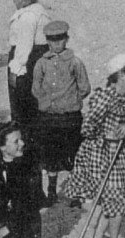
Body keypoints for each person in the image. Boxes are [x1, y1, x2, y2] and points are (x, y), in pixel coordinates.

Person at [64, 54, 125, 238]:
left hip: (119, 154)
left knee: (117, 200)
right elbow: (87, 127)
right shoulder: (104, 97)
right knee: (99, 204)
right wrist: (106, 134)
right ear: (121, 75)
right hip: (98, 154)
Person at [30, 20, 91, 206]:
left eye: (60, 39)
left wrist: (70, 101)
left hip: (70, 118)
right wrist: (47, 102)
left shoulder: (75, 62)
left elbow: (84, 87)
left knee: (74, 154)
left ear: (67, 39)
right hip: (49, 117)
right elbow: (36, 88)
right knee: (50, 155)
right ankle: (51, 190)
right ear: (47, 41)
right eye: (52, 40)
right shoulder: (41, 63)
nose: (56, 44)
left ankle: (76, 193)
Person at [3, 0, 53, 124]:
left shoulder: (28, 17)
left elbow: (24, 46)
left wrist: (15, 71)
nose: (13, 1)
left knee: (22, 101)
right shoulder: (39, 10)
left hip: (28, 61)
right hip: (38, 58)